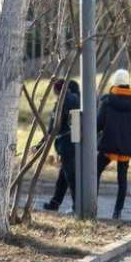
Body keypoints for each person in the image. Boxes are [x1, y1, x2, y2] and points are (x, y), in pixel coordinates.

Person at [96, 69, 131, 220]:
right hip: (126, 148)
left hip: (108, 145)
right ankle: (117, 212)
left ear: (114, 82)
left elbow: (99, 124)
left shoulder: (107, 101)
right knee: (122, 180)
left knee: (95, 173)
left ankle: (92, 205)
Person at [43, 79, 81, 211]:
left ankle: (78, 205)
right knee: (64, 176)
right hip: (73, 142)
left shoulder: (62, 101)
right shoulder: (76, 99)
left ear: (57, 90)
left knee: (70, 176)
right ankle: (55, 202)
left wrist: (41, 144)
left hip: (66, 144)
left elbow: (54, 126)